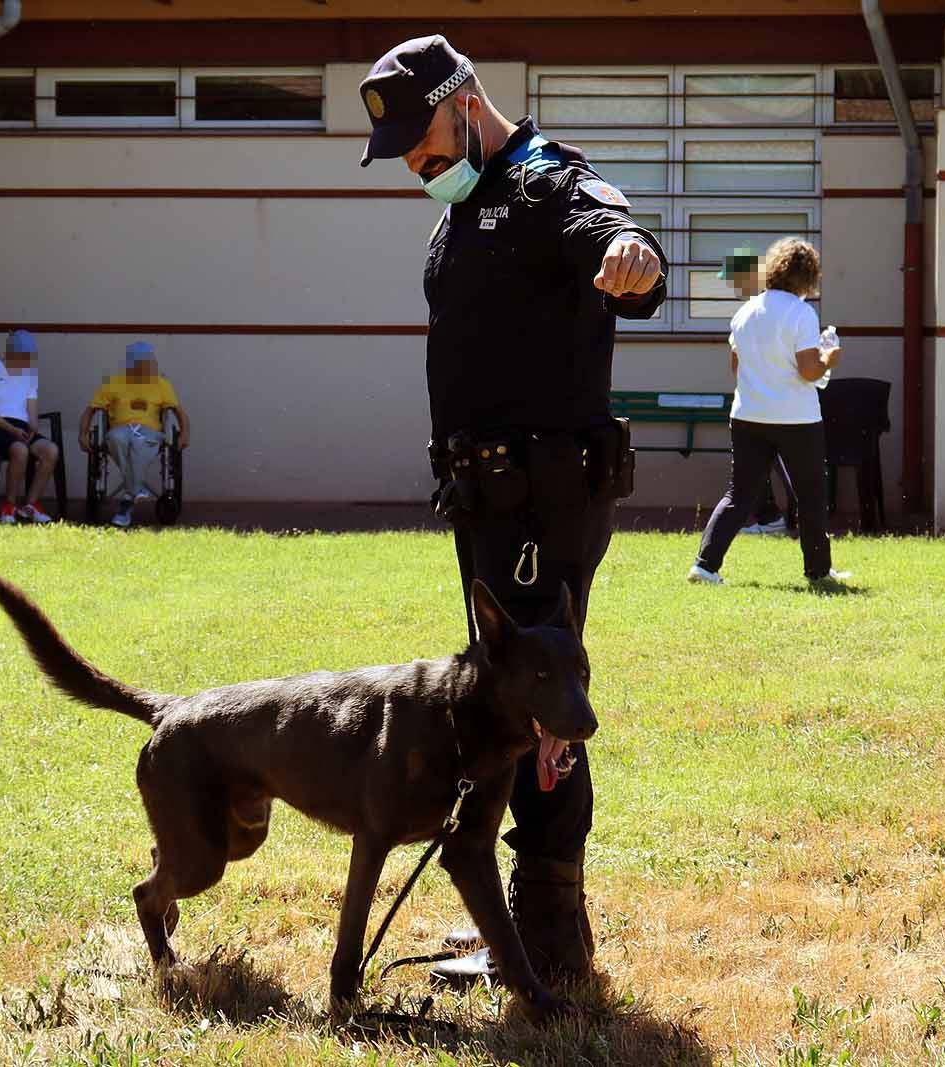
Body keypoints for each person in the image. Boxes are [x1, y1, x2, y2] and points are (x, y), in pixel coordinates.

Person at [357, 34, 665, 985]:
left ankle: (552, 938)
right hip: (491, 500)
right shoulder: (468, 204)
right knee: (500, 695)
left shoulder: (542, 183)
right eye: (405, 153)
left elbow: (621, 241)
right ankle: (513, 923)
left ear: (467, 102)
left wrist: (632, 257)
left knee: (541, 694)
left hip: (542, 499)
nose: (416, 162)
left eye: (425, 141)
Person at [688, 237, 850, 587]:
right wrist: (829, 360)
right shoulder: (801, 312)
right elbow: (809, 371)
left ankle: (704, 566)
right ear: (809, 276)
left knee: (738, 495)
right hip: (796, 419)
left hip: (747, 415)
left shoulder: (745, 311)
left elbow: (737, 367)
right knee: (810, 495)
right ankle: (818, 571)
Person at [77, 341, 189, 528]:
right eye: (139, 363)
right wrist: (83, 433)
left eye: (147, 362)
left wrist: (185, 433)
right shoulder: (112, 383)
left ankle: (127, 501)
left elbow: (179, 412)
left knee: (138, 442)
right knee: (116, 438)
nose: (144, 366)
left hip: (150, 432)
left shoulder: (161, 384)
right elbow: (90, 411)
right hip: (119, 431)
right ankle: (137, 487)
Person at [719, 249, 792, 537]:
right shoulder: (751, 312)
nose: (734, 287)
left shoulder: (768, 311)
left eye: (737, 280)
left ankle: (799, 521)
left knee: (786, 470)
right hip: (759, 405)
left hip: (779, 407)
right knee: (757, 467)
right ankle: (771, 517)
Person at [0, 330, 59, 525]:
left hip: (21, 428)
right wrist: (11, 430)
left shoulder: (30, 375)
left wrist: (32, 427)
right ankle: (9, 505)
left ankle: (31, 504)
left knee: (51, 450)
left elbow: (32, 412)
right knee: (20, 451)